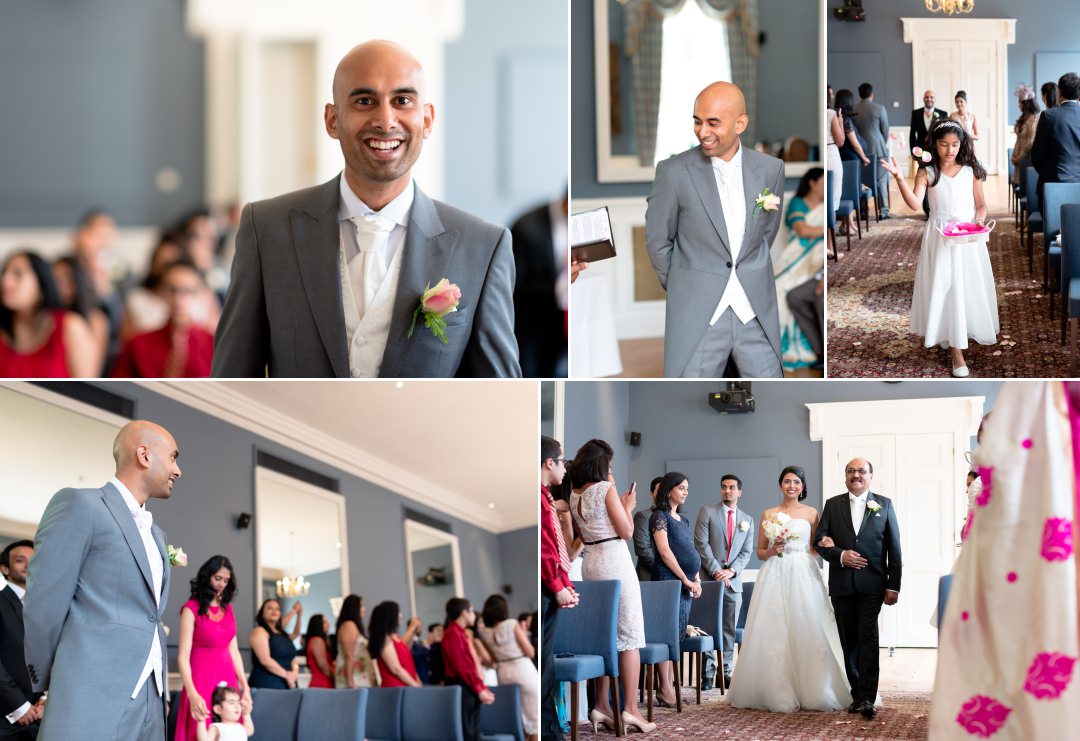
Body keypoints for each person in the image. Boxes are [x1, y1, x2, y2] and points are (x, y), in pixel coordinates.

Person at [212, 40, 520, 378]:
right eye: (364, 101)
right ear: (332, 119)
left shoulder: (483, 248)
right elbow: (234, 373)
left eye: (402, 101)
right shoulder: (266, 229)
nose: (385, 120)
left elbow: (498, 387)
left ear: (428, 119)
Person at [929, 382, 1080, 738]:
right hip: (989, 544)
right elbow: (972, 519)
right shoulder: (979, 476)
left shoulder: (1041, 460)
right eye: (985, 433)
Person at [23, 420, 181, 741]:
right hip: (90, 689)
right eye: (174, 457)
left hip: (152, 696)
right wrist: (53, 680)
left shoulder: (156, 534)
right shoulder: (80, 505)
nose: (178, 471)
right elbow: (44, 603)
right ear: (144, 455)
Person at [645, 80, 786, 379]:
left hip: (754, 308)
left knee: (773, 388)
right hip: (699, 313)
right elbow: (658, 241)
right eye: (697, 122)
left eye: (713, 123)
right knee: (688, 396)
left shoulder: (771, 169)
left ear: (740, 123)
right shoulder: (672, 172)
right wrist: (686, 285)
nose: (702, 132)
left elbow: (765, 234)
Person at [880, 118, 998, 377]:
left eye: (955, 144)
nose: (950, 150)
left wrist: (978, 221)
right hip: (940, 236)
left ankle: (959, 331)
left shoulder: (971, 171)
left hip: (967, 236)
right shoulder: (928, 172)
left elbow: (981, 204)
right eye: (944, 144)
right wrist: (900, 177)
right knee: (945, 285)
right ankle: (956, 352)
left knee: (965, 286)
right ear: (934, 144)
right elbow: (914, 203)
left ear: (961, 144)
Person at [727, 466, 851, 712]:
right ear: (780, 485)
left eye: (796, 482)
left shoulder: (812, 513)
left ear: (803, 486)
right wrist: (773, 550)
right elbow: (761, 551)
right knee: (774, 627)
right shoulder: (768, 513)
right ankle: (773, 687)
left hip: (804, 571)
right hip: (775, 571)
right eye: (786, 481)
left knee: (808, 622)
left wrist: (828, 543)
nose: (791, 486)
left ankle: (816, 686)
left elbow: (816, 548)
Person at [568, 439, 654, 733]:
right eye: (611, 465)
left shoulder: (574, 494)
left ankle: (601, 706)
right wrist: (627, 506)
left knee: (603, 636)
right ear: (602, 464)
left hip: (591, 563)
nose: (612, 470)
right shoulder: (605, 489)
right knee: (630, 636)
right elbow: (627, 531)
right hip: (615, 561)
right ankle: (630, 709)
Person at [815, 459, 903, 719]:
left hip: (872, 585)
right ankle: (856, 694)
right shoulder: (832, 505)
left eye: (861, 471)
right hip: (842, 585)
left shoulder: (884, 504)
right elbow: (819, 542)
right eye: (851, 471)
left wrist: (893, 585)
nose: (856, 475)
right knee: (848, 641)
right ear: (845, 477)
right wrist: (840, 555)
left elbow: (894, 548)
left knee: (868, 638)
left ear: (871, 477)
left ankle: (868, 697)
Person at [175, 555, 250, 741]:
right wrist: (192, 693)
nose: (222, 584)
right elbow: (182, 657)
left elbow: (234, 651)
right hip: (200, 679)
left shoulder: (228, 610)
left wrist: (245, 685)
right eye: (218, 578)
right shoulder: (190, 609)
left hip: (227, 677)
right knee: (200, 728)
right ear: (207, 576)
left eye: (226, 580)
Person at [693, 474, 754, 689]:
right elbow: (701, 544)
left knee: (729, 629)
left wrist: (732, 572)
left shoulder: (748, 520)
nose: (727, 491)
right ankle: (707, 674)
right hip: (709, 581)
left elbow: (746, 553)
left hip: (733, 584)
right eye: (724, 487)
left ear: (739, 492)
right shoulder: (707, 512)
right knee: (707, 627)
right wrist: (717, 571)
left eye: (732, 487)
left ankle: (725, 671)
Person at [648, 472, 702, 706]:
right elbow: (665, 552)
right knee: (665, 635)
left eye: (687, 488)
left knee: (677, 635)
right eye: (681, 487)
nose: (686, 492)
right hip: (668, 581)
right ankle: (665, 688)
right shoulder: (659, 517)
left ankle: (669, 687)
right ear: (669, 490)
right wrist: (685, 579)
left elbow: (690, 551)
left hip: (686, 583)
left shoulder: (683, 520)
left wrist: (696, 578)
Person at [113, 259, 216, 378]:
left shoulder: (213, 346)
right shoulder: (138, 344)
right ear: (161, 292)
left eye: (188, 291)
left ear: (199, 294)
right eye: (173, 290)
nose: (179, 299)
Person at [0, 251, 97, 377]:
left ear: (41, 286)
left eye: (18, 274)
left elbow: (88, 388)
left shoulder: (71, 326)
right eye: (4, 273)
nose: (5, 282)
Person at [540, 436, 577, 741]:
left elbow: (554, 545)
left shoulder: (545, 497)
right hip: (542, 587)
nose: (566, 468)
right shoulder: (538, 498)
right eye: (562, 461)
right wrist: (556, 585)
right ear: (549, 463)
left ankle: (551, 730)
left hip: (551, 584)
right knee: (543, 661)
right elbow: (543, 548)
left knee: (546, 659)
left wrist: (564, 583)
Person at [510, 194, 568, 378]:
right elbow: (513, 285)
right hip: (533, 324)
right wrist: (559, 289)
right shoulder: (526, 227)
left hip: (567, 320)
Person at [775, 168, 825, 371]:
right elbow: (802, 230)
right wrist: (826, 229)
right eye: (822, 181)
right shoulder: (798, 203)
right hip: (797, 259)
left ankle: (818, 352)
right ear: (812, 183)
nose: (825, 186)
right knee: (780, 290)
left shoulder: (824, 206)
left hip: (818, 259)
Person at [478, 595, 538, 741]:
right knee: (534, 718)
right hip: (522, 669)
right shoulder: (511, 624)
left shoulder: (485, 633)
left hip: (504, 673)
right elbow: (530, 651)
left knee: (518, 718)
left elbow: (492, 661)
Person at [0, 541, 42, 740]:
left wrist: (45, 698)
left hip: (41, 718)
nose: (28, 565)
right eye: (20, 560)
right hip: (5, 719)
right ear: (5, 568)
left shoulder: (45, 608)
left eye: (33, 560)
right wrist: (19, 706)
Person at [442, 599, 495, 741]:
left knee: (473, 731)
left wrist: (480, 687)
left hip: (466, 686)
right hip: (462, 687)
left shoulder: (459, 633)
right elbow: (462, 667)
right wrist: (479, 688)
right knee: (468, 732)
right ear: (464, 613)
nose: (474, 615)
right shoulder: (453, 633)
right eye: (471, 611)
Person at [51, 255, 109, 374]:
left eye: (67, 280)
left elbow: (92, 372)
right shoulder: (45, 319)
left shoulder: (96, 319)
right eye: (55, 280)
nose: (61, 287)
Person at [1032, 72, 1080, 203]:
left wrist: (1049, 172)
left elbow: (1037, 156)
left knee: (1051, 223)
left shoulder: (1048, 116)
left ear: (1059, 92)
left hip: (1053, 186)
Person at [835, 88, 871, 235]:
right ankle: (847, 224)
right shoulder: (846, 120)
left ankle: (848, 223)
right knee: (850, 192)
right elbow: (855, 143)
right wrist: (864, 157)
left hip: (848, 159)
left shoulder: (841, 118)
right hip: (851, 160)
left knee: (848, 192)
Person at [854, 83, 892, 219]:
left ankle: (863, 211)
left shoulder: (854, 109)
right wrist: (881, 142)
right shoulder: (880, 108)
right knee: (881, 181)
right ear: (872, 94)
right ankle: (883, 211)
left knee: (862, 181)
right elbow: (885, 131)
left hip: (860, 150)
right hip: (879, 149)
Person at [247, 599, 301, 689]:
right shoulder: (259, 631)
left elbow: (292, 658)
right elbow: (265, 660)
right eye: (269, 608)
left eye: (277, 609)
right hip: (267, 683)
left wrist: (295, 672)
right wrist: (287, 675)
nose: (274, 611)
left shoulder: (282, 634)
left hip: (288, 683)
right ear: (262, 614)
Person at [368, 601, 422, 687]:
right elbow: (396, 669)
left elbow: (405, 651)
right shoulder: (385, 639)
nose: (401, 615)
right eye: (398, 612)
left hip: (405, 686)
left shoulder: (395, 637)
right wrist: (415, 685)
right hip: (396, 688)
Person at [335, 594, 378, 688]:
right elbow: (348, 655)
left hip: (361, 678)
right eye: (362, 606)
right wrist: (350, 682)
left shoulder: (354, 626)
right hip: (354, 680)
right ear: (354, 608)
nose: (364, 609)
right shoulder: (348, 625)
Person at [786, 277, 824, 372]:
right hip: (820, 275)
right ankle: (820, 352)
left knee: (822, 302)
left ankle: (826, 357)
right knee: (794, 297)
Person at [632, 477, 663, 581]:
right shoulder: (643, 516)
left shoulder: (676, 518)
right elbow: (642, 549)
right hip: (649, 576)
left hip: (673, 578)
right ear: (651, 493)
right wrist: (665, 568)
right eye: (659, 491)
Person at [1011, 84, 1041, 187]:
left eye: (1019, 102)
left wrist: (1018, 158)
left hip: (1025, 161)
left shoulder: (1032, 120)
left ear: (1025, 104)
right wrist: (1014, 156)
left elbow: (1029, 144)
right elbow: (1019, 140)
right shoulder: (1023, 119)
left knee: (1025, 189)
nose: (1018, 105)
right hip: (1018, 159)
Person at [303, 614, 334, 688]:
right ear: (317, 625)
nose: (328, 624)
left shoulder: (319, 640)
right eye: (324, 622)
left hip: (323, 681)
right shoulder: (317, 640)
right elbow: (323, 665)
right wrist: (336, 677)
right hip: (322, 683)